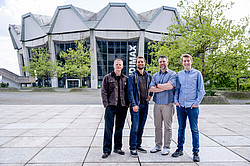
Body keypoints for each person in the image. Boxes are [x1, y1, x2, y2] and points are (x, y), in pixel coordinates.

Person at [172, 54, 205, 162]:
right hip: (181, 106)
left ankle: (196, 152)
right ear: (182, 62)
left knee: (194, 130)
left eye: (188, 61)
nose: (186, 63)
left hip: (192, 107)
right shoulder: (179, 75)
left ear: (191, 61)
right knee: (181, 128)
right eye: (184, 61)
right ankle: (179, 149)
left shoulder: (197, 74)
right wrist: (176, 101)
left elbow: (201, 90)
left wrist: (196, 103)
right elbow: (177, 89)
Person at [101, 59, 129, 159]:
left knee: (119, 128)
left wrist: (128, 104)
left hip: (122, 107)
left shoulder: (126, 78)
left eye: (120, 65)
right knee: (108, 128)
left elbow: (128, 92)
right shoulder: (107, 78)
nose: (118, 66)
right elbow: (104, 91)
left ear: (122, 66)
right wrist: (106, 104)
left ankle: (117, 147)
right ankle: (106, 150)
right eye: (116, 64)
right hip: (111, 107)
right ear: (114, 66)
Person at [149, 55, 177, 155]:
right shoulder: (155, 75)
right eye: (160, 62)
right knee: (157, 126)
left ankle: (166, 147)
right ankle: (157, 146)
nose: (162, 63)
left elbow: (170, 86)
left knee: (167, 127)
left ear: (167, 62)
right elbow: (151, 89)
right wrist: (164, 86)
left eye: (164, 61)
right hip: (157, 104)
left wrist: (158, 86)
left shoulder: (172, 74)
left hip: (168, 104)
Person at [127, 56, 152, 157]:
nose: (140, 63)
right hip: (136, 105)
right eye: (139, 62)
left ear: (145, 63)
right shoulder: (132, 76)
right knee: (135, 127)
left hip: (145, 105)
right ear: (136, 64)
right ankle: (132, 147)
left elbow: (151, 88)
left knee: (141, 127)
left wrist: (150, 95)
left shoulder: (148, 76)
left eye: (142, 62)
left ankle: (138, 145)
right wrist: (133, 104)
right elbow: (129, 92)